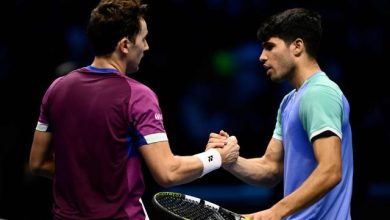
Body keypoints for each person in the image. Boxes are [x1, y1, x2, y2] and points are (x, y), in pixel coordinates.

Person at [28, 0, 239, 219]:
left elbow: (38, 163)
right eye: (144, 38)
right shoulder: (138, 96)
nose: (147, 47)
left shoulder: (57, 88)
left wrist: (87, 178)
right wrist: (217, 157)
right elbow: (168, 172)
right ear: (125, 45)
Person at [209, 8, 353, 220]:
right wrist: (230, 161)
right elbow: (270, 168)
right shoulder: (289, 101)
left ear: (297, 46)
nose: (261, 57)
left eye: (270, 47)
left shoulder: (320, 93)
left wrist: (277, 211)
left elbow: (331, 170)